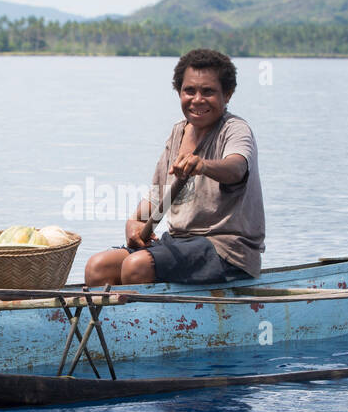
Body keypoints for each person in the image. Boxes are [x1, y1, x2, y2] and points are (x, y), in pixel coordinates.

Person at [84, 49, 265, 286]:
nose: (197, 99)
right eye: (189, 91)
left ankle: (146, 321)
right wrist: (135, 223)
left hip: (226, 250)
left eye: (208, 92)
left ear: (227, 94)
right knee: (98, 267)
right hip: (180, 243)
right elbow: (159, 195)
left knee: (136, 266)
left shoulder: (234, 129)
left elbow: (236, 168)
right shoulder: (178, 132)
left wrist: (203, 165)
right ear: (179, 92)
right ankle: (105, 323)